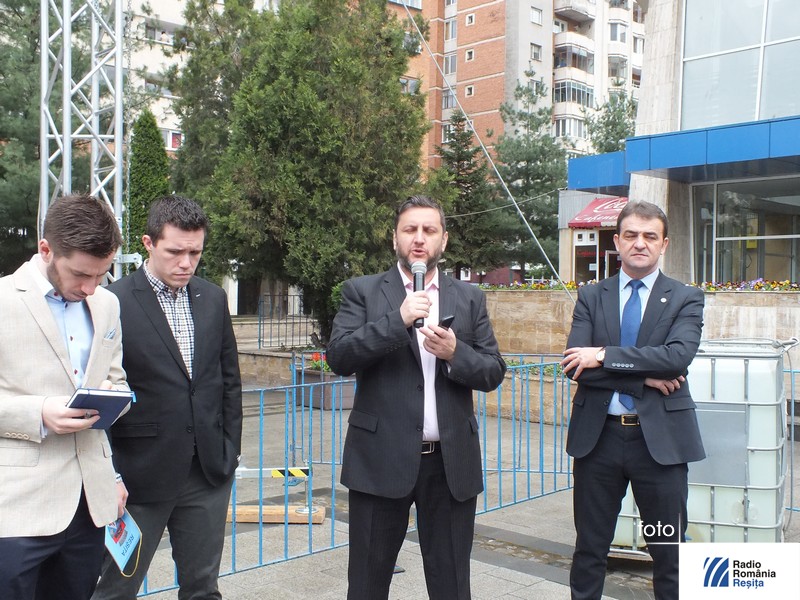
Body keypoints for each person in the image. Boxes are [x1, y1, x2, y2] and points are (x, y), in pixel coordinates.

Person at [327, 195, 506, 600]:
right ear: (395, 238)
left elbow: (493, 370)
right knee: (367, 586)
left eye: (429, 230)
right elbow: (339, 356)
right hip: (380, 461)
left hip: (449, 466)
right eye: (410, 230)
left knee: (452, 586)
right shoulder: (363, 291)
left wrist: (455, 353)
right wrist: (399, 320)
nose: (419, 239)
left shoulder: (469, 298)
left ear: (444, 239)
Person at [93, 195, 242, 599]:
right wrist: (111, 474)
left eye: (195, 253)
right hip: (140, 476)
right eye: (175, 252)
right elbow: (101, 390)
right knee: (115, 589)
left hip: (207, 471)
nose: (186, 263)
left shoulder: (212, 298)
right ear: (148, 243)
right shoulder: (113, 301)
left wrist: (230, 450)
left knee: (202, 588)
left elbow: (228, 380)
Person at [560, 200, 705, 600]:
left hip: (660, 446)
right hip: (598, 442)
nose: (640, 243)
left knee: (669, 552)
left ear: (664, 244)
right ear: (617, 241)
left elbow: (676, 358)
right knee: (590, 548)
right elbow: (575, 365)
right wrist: (643, 378)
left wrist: (604, 355)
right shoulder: (592, 296)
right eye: (631, 235)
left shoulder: (685, 297)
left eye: (650, 236)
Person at [0, 194, 129, 599]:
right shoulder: (3, 300)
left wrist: (114, 394)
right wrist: (39, 412)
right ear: (46, 249)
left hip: (90, 504)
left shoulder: (107, 304)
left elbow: (115, 377)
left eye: (102, 275)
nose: (91, 288)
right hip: (16, 508)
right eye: (80, 274)